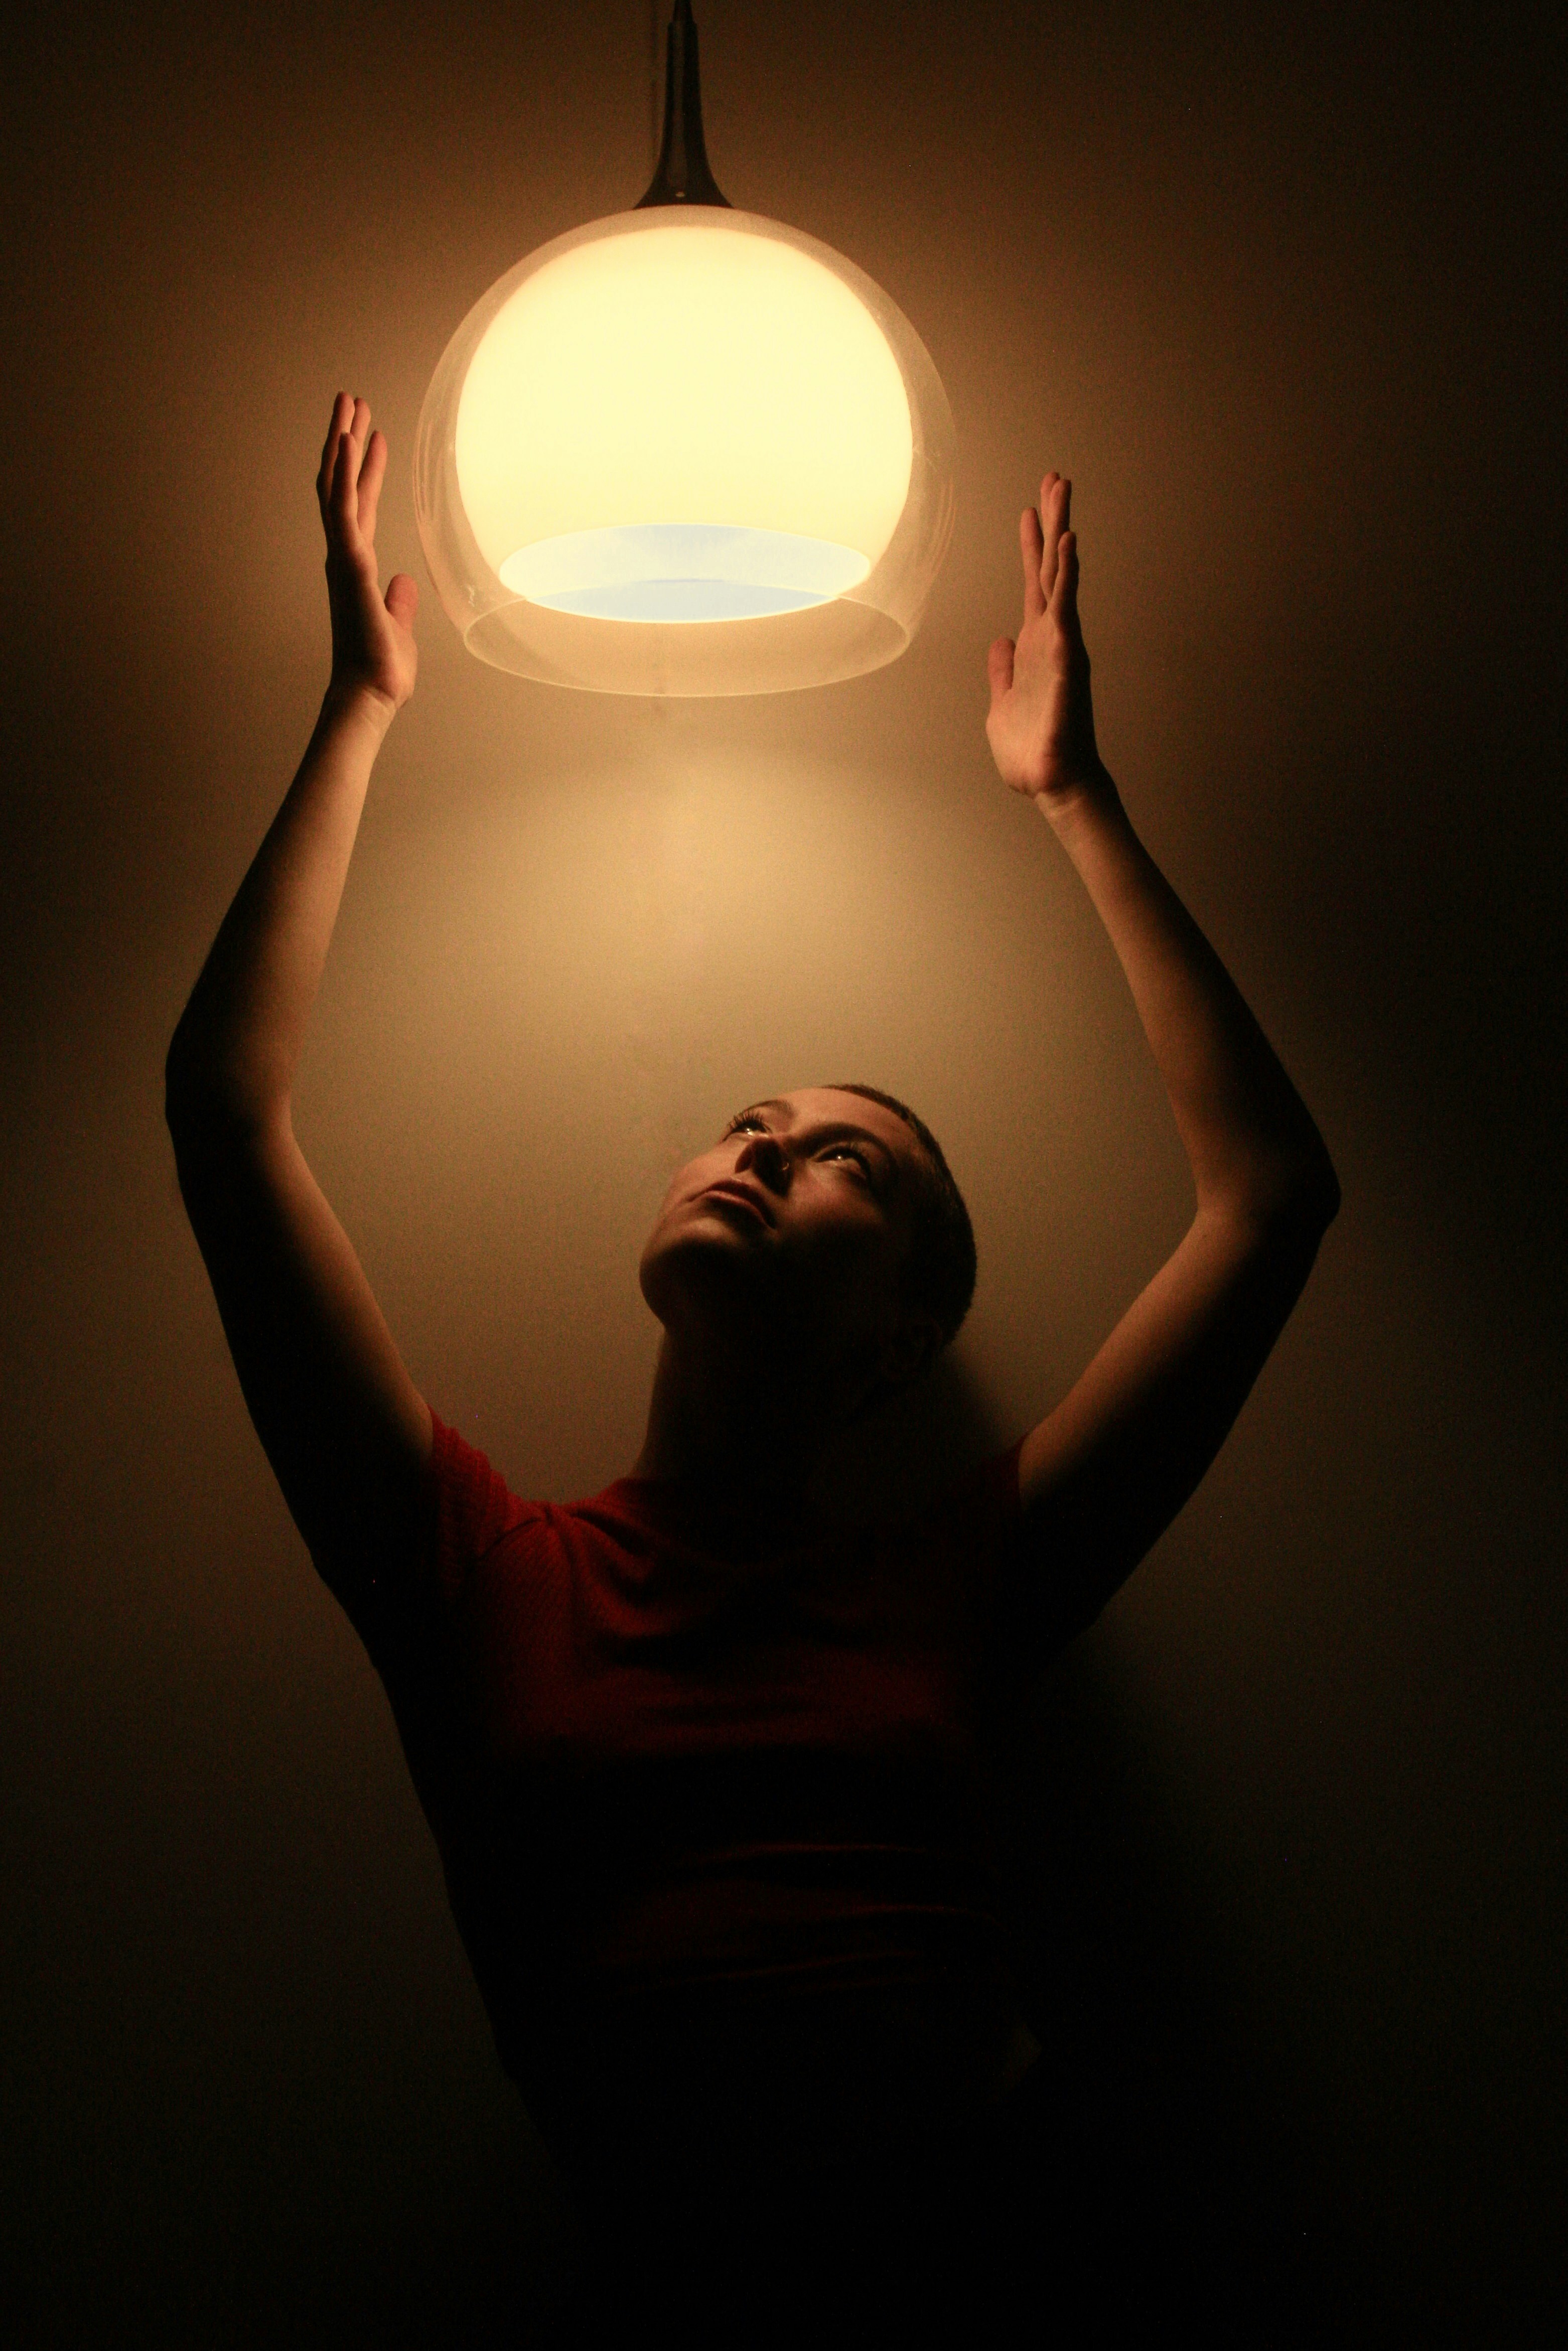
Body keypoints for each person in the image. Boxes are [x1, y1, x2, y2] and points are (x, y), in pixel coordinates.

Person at [165, 395, 1339, 2340]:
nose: (762, 1146)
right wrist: (361, 704)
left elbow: (1270, 1196)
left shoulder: (961, 1579)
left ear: (893, 1343)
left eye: (841, 1157)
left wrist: (1071, 796)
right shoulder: (475, 1575)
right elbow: (226, 1117)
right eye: (744, 1117)